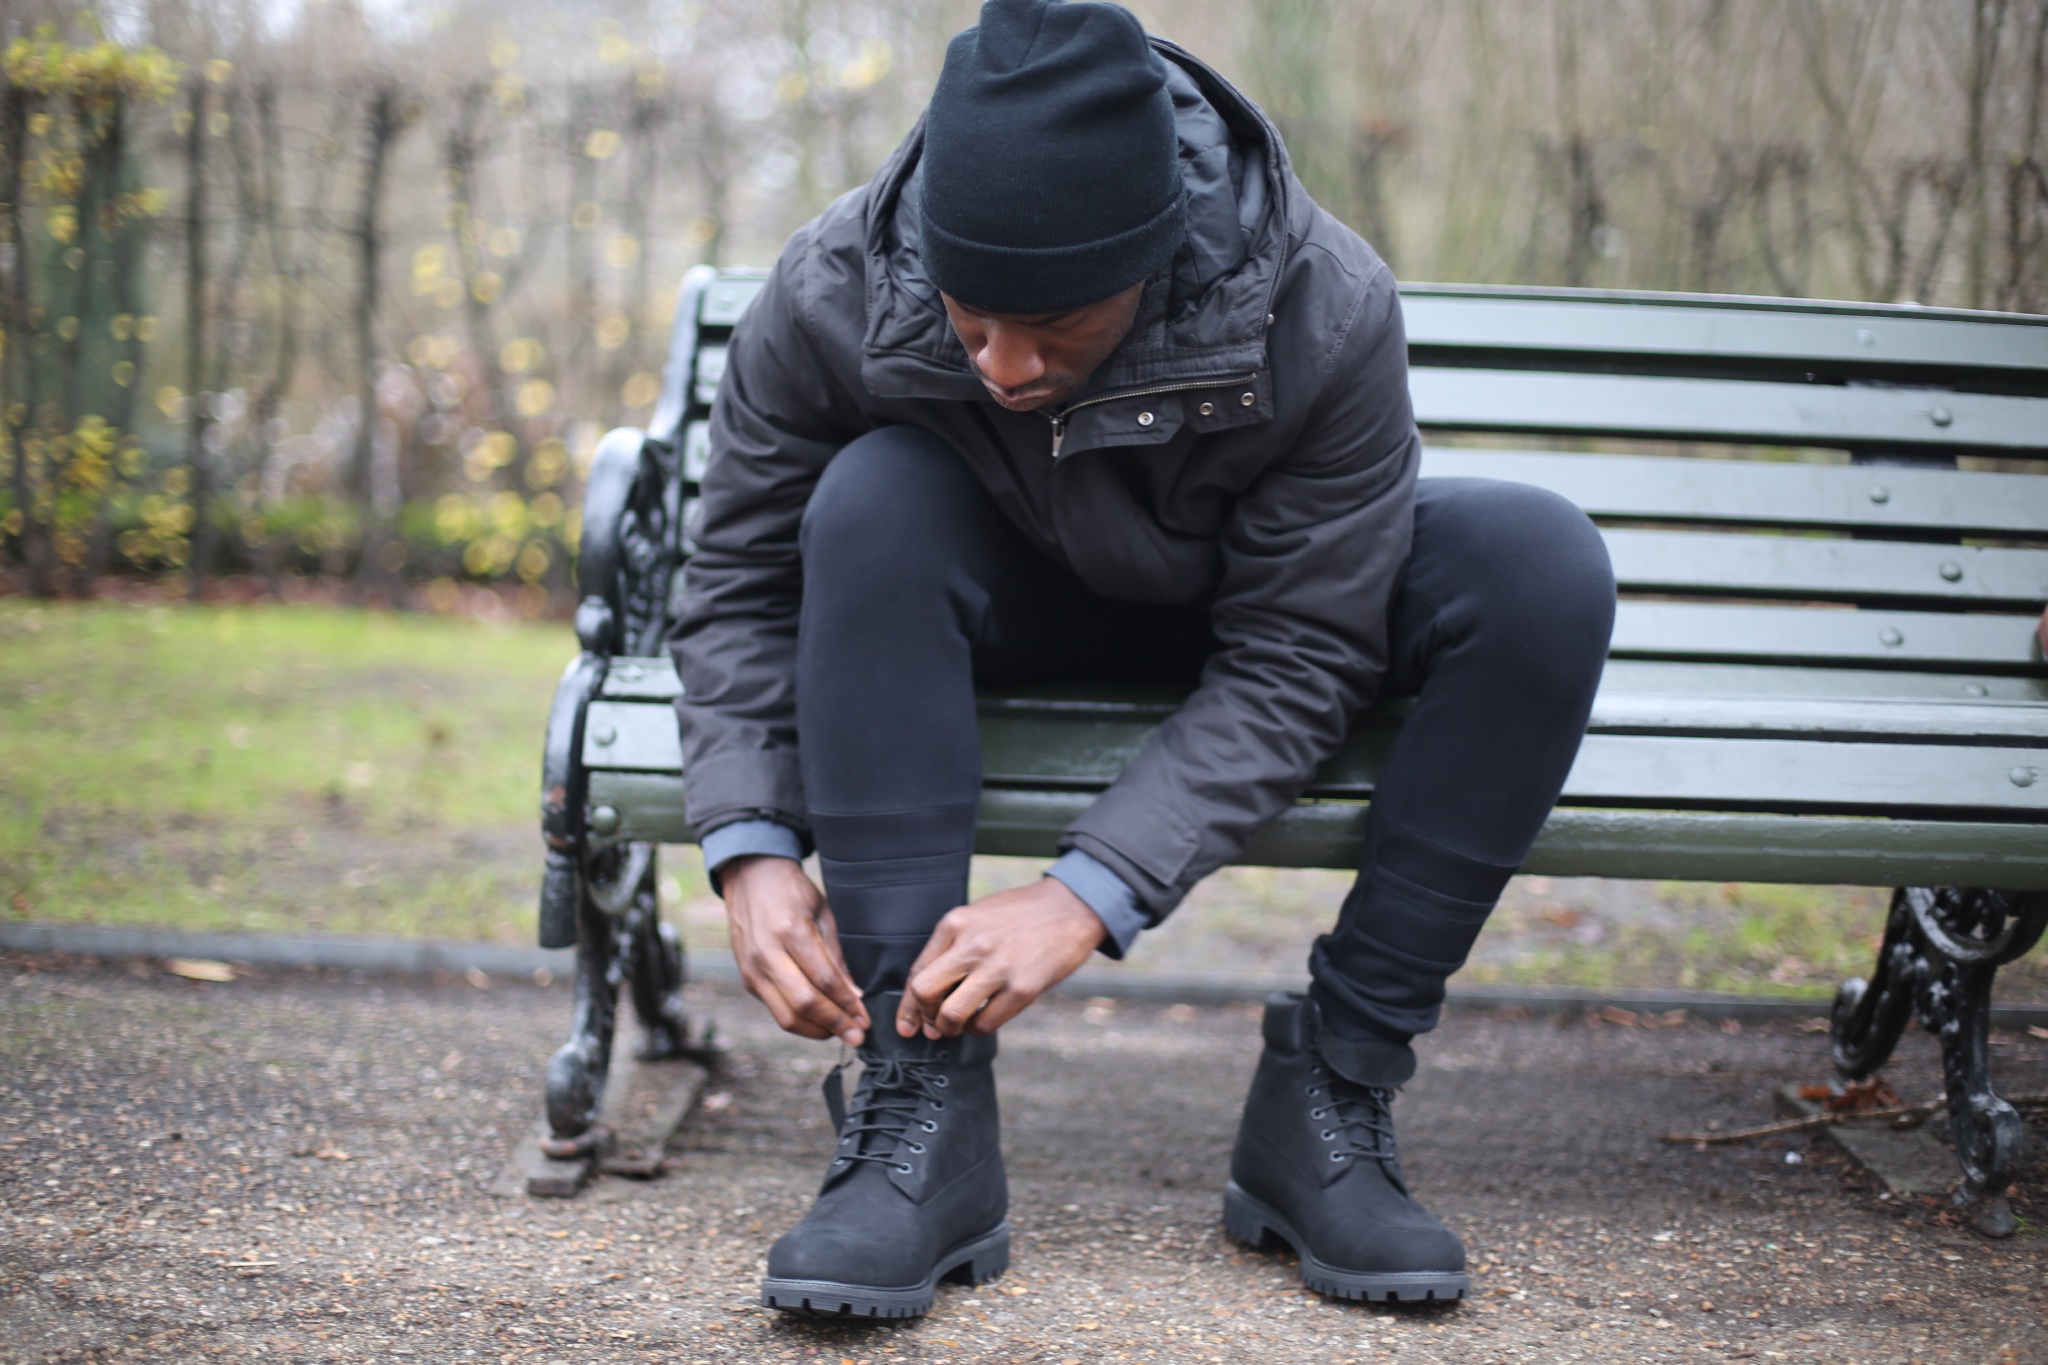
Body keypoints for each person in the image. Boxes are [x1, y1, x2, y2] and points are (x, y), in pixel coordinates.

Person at [670, 0, 1615, 1319]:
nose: (1001, 365)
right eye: (968, 316)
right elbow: (739, 584)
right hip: (1002, 593)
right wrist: (752, 843)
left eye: (1052, 324)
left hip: (1254, 599)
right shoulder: (837, 284)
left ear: (1154, 254)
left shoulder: (1323, 306)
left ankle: (1333, 1085)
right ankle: (916, 1104)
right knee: (872, 496)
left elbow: (1299, 651)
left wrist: (1083, 895)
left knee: (1537, 564)